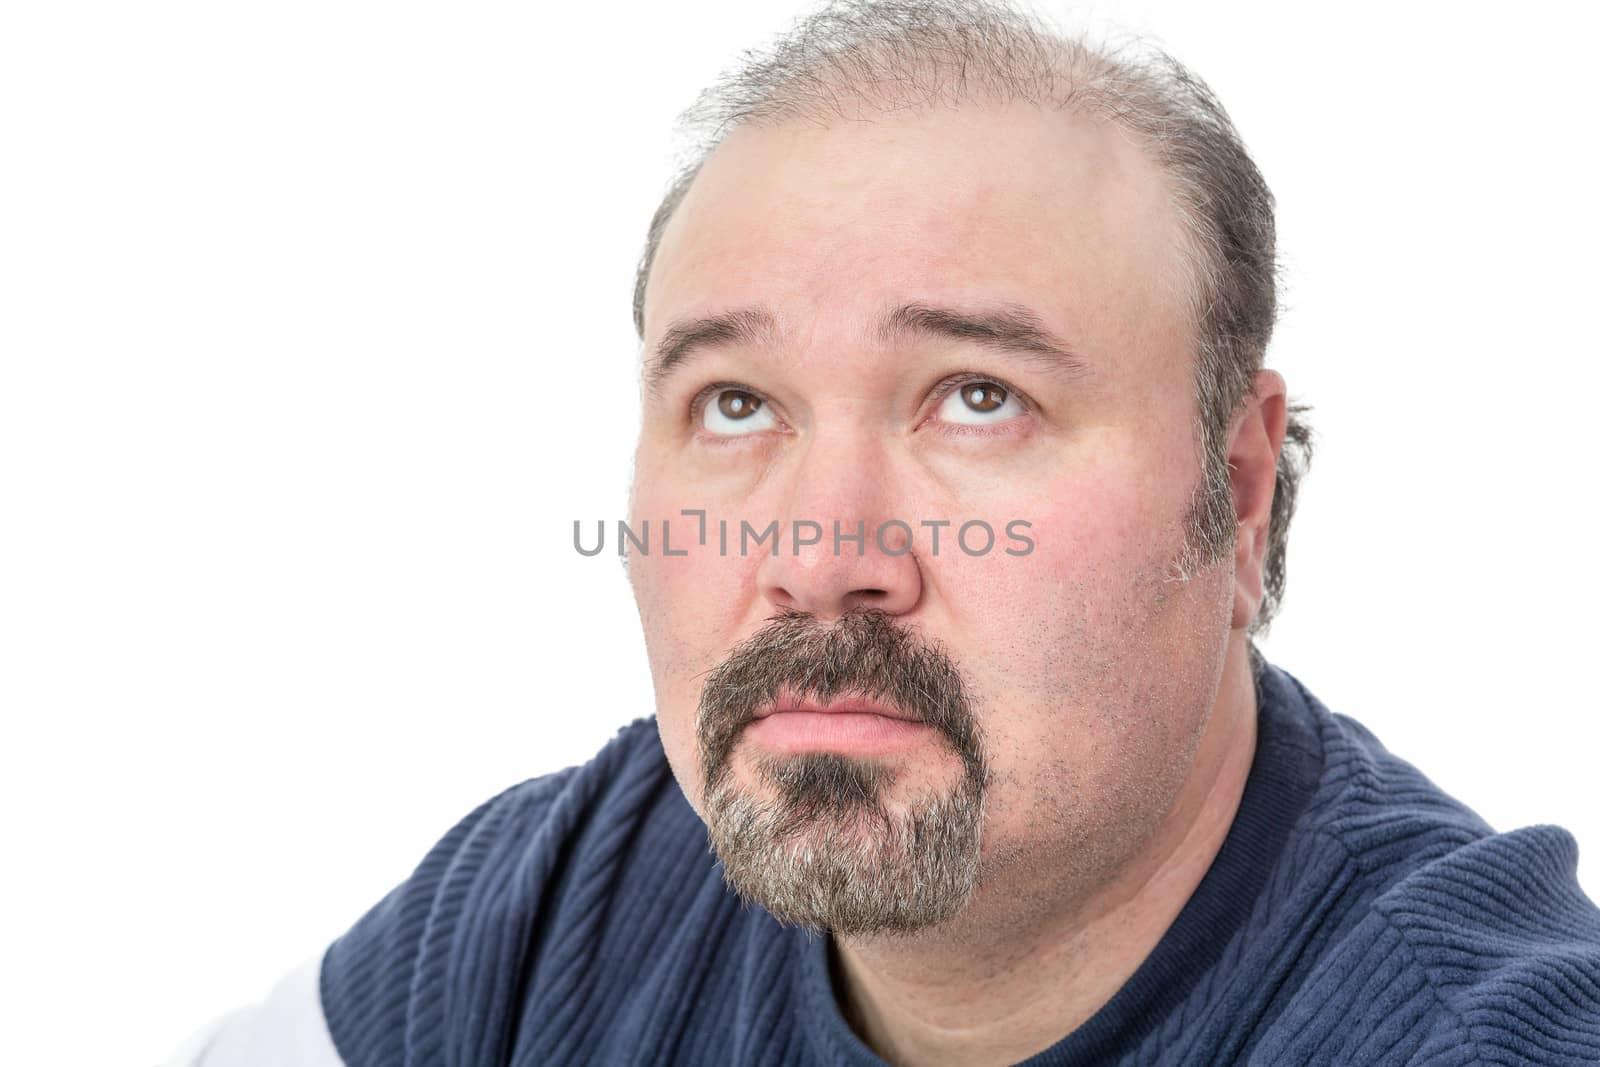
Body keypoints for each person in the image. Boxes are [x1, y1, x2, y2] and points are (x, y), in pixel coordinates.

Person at [167, 1, 1600, 1064]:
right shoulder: (561, 916)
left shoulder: (1464, 1037)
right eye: (735, 403)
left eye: (977, 399)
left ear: (1234, 492)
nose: (821, 554)